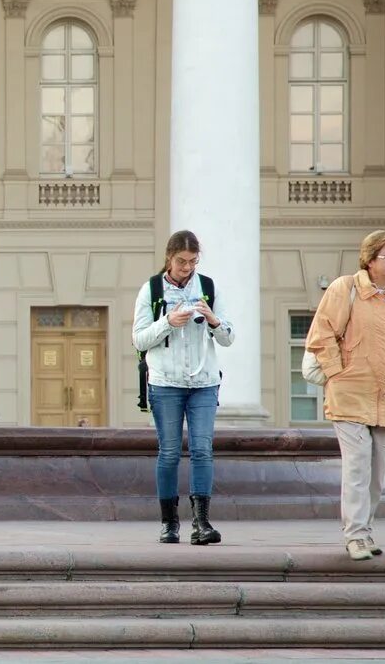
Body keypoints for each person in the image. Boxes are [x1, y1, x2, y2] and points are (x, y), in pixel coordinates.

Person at [305, 230, 385, 561]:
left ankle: (365, 530)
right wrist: (336, 373)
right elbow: (321, 333)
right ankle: (355, 535)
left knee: (376, 471)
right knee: (356, 466)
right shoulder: (346, 289)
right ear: (370, 260)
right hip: (350, 394)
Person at [132, 230, 233, 546]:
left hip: (204, 382)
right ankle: (169, 523)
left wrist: (214, 321)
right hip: (165, 383)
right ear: (169, 258)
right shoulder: (151, 290)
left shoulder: (209, 288)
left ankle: (202, 522)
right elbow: (139, 339)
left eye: (192, 261)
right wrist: (167, 322)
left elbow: (229, 337)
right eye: (181, 261)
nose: (187, 268)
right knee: (170, 452)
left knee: (203, 449)